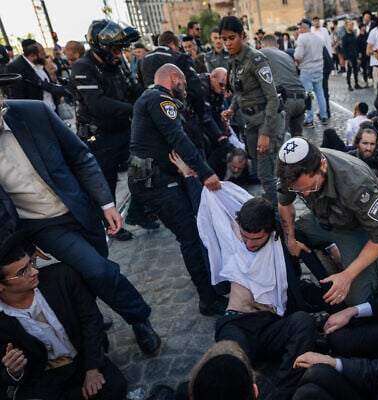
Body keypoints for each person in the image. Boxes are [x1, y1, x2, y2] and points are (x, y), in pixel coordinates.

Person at [0, 74, 160, 356]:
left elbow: (80, 156)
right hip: (43, 225)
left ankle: (93, 322)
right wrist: (20, 245)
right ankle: (138, 318)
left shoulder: (33, 112)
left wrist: (106, 204)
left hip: (82, 208)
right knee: (96, 269)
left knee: (94, 271)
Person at [128, 63, 228, 317]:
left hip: (152, 177)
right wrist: (205, 172)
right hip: (157, 181)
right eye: (182, 82)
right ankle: (208, 299)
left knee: (191, 232)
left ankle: (210, 287)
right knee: (190, 237)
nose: (185, 88)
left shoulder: (149, 98)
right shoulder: (160, 99)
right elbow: (177, 137)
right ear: (174, 78)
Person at [197, 194, 316, 400]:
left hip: (270, 324)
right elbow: (211, 200)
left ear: (270, 232)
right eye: (246, 237)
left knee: (304, 322)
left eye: (257, 239)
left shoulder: (278, 244)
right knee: (228, 359)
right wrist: (203, 178)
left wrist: (298, 244)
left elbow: (296, 224)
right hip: (238, 322)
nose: (249, 244)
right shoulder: (233, 241)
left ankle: (282, 393)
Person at [0, 232, 127, 399]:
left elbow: (91, 320)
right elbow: (7, 374)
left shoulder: (62, 277)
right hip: (44, 379)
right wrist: (14, 371)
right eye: (23, 271)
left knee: (114, 388)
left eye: (31, 263)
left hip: (82, 361)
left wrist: (92, 369)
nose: (34, 271)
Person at [276, 137, 378, 306]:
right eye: (299, 190)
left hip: (354, 229)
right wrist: (291, 238)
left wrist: (347, 275)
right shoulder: (289, 168)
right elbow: (284, 203)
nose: (306, 194)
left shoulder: (357, 185)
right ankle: (298, 281)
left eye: (311, 187)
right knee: (279, 233)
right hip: (321, 219)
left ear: (323, 165)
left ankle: (372, 264)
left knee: (355, 300)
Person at [71, 20, 150, 241]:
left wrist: (149, 96)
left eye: (121, 49)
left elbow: (132, 88)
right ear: (102, 47)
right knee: (107, 183)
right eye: (115, 49)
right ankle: (111, 224)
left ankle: (138, 210)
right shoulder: (82, 67)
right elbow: (96, 103)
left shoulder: (117, 63)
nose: (119, 54)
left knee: (144, 167)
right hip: (99, 137)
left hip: (123, 130)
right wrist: (133, 108)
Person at [220, 16, 286, 206]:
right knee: (262, 171)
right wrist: (232, 109)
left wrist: (265, 134)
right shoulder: (234, 60)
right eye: (224, 39)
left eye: (231, 38)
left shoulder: (256, 60)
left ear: (242, 35)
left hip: (266, 121)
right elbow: (240, 92)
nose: (227, 43)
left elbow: (272, 98)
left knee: (267, 174)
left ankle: (279, 213)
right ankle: (275, 205)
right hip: (249, 122)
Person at [260, 34, 306, 137]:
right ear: (277, 46)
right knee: (298, 139)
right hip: (301, 99)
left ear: (262, 46)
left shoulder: (262, 53)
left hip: (285, 101)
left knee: (280, 138)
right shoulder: (286, 55)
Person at [6, 39, 66, 111]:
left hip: (52, 108)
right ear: (32, 56)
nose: (45, 56)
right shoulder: (16, 67)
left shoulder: (40, 63)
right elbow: (17, 96)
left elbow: (49, 82)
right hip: (36, 112)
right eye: (42, 54)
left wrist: (52, 74)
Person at [295, 18, 329, 127]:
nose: (299, 30)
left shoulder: (302, 38)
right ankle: (324, 115)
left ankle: (309, 119)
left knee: (308, 94)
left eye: (300, 27)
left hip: (307, 69)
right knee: (320, 93)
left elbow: (298, 55)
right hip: (318, 68)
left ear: (304, 27)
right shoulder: (318, 37)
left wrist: (298, 64)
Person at [342, 20, 361, 91]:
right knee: (349, 71)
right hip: (348, 57)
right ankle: (349, 85)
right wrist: (346, 58)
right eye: (349, 25)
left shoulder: (354, 35)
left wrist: (358, 54)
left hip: (354, 55)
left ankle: (356, 83)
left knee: (356, 70)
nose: (351, 26)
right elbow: (344, 48)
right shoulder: (344, 37)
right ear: (346, 26)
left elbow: (356, 45)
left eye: (352, 25)